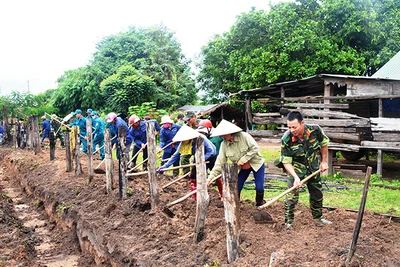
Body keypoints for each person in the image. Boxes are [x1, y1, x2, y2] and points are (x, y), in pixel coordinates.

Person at [277, 111, 332, 228]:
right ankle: (289, 222)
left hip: (313, 165)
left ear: (302, 123)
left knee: (317, 191)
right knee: (291, 194)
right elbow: (286, 161)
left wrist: (323, 161)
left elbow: (324, 143)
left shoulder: (315, 130)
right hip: (296, 167)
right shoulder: (286, 139)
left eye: (294, 127)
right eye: (289, 127)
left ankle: (318, 218)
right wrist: (296, 177)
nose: (292, 130)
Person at [208, 119, 266, 206]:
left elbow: (255, 148)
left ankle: (259, 204)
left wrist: (244, 159)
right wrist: (210, 178)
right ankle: (235, 206)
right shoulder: (224, 144)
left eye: (223, 134)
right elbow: (220, 162)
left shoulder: (245, 137)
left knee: (259, 187)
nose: (222, 136)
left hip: (256, 164)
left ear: (230, 132)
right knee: (236, 188)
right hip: (242, 168)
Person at [158, 125, 217, 200]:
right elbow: (176, 155)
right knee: (193, 176)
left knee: (216, 174)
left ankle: (222, 194)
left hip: (211, 157)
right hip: (198, 157)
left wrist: (202, 160)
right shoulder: (184, 143)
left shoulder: (201, 138)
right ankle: (195, 196)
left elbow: (211, 151)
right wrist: (165, 166)